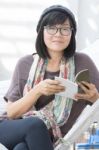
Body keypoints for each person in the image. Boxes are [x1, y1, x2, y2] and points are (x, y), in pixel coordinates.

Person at [1, 4, 99, 149]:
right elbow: (12, 113)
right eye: (51, 28)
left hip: (48, 138)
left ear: (71, 34)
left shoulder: (83, 62)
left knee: (21, 148)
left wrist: (93, 98)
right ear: (42, 32)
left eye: (65, 29)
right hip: (10, 128)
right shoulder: (25, 64)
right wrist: (37, 90)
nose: (58, 34)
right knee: (35, 124)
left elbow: (97, 103)